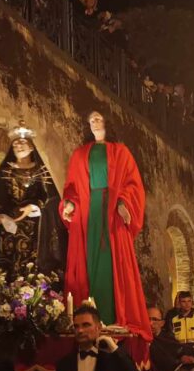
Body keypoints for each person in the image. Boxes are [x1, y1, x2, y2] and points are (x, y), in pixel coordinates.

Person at [61, 111, 151, 339]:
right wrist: (70, 204)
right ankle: (87, 321)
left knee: (112, 263)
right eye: (90, 119)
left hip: (111, 214)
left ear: (107, 122)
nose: (95, 121)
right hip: (88, 214)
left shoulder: (120, 152)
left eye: (99, 118)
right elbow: (71, 186)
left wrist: (124, 203)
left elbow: (132, 184)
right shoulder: (80, 154)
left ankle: (114, 316)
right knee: (87, 264)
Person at [0, 123, 66, 299]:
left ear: (30, 146)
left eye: (22, 143)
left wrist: (35, 207)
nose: (18, 146)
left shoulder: (41, 172)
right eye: (15, 144)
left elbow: (52, 202)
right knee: (6, 274)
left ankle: (35, 303)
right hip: (7, 235)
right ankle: (4, 304)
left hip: (35, 234)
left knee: (32, 273)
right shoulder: (5, 172)